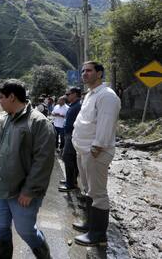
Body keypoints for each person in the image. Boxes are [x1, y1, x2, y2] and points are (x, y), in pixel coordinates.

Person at [0, 79, 55, 259]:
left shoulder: (39, 122)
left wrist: (30, 190)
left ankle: (44, 256)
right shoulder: (3, 119)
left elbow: (43, 161)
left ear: (12, 97)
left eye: (1, 97)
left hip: (22, 191)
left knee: (25, 231)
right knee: (1, 228)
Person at [71, 61, 121, 247]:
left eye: (89, 70)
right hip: (83, 150)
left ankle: (98, 235)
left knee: (98, 193)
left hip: (95, 152)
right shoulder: (91, 95)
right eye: (83, 70)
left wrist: (96, 148)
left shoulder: (107, 96)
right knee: (88, 189)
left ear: (99, 73)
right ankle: (90, 225)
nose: (85, 73)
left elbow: (106, 124)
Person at [58, 87, 82, 192]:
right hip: (69, 134)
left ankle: (70, 184)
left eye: (68, 94)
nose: (67, 96)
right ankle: (72, 180)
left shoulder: (78, 106)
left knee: (67, 157)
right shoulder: (74, 105)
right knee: (72, 158)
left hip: (72, 135)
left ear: (75, 94)